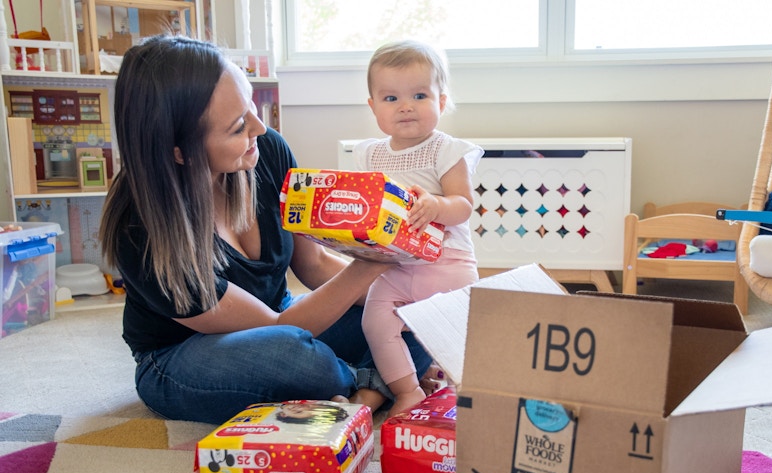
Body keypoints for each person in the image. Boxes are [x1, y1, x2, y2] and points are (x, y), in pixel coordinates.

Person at [98, 35, 434, 425]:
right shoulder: (139, 228)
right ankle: (374, 380)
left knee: (416, 315)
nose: (259, 127)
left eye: (252, 107)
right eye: (239, 126)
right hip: (182, 357)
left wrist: (399, 297)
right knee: (295, 355)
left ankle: (363, 395)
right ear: (179, 151)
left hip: (281, 319)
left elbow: (313, 264)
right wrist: (371, 263)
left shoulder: (267, 150)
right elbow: (279, 329)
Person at [353, 40, 483, 417]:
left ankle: (471, 394)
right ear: (374, 107)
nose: (405, 106)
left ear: (441, 102)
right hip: (393, 266)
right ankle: (407, 390)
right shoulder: (369, 154)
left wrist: (436, 205)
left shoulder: (446, 150)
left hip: (446, 264)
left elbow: (464, 205)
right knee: (374, 320)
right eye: (391, 98)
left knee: (456, 335)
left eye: (420, 95)